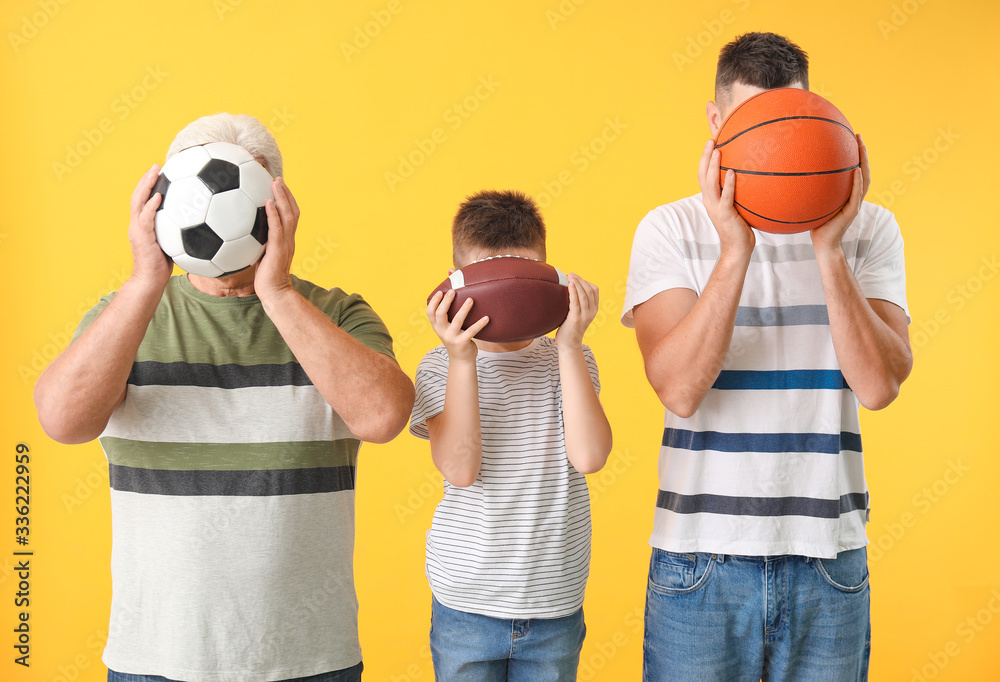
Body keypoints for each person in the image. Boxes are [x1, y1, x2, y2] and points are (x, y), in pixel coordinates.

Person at [34, 113, 415, 682]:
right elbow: (63, 421)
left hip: (309, 659)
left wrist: (278, 292)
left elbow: (383, 417)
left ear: (278, 208)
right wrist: (144, 281)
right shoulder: (125, 318)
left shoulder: (337, 314)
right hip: (156, 659)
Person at [621, 33, 912, 681]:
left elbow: (879, 386)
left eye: (793, 126)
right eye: (756, 127)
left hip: (828, 560)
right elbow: (679, 389)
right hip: (700, 562)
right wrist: (735, 250)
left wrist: (829, 251)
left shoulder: (870, 229)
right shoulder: (668, 229)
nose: (778, 148)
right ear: (717, 122)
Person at [409, 190, 613, 681]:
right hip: (467, 603)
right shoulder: (439, 366)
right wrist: (462, 359)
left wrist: (570, 345)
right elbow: (460, 468)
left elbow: (589, 457)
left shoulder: (573, 360)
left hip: (555, 603)